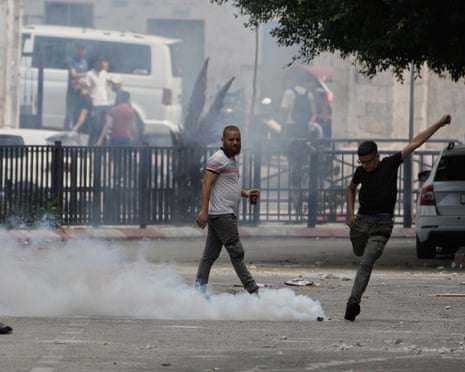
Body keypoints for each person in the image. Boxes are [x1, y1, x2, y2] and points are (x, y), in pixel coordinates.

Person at [344, 114, 452, 321]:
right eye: (362, 162)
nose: (365, 166)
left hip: (382, 224)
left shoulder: (390, 164)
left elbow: (415, 143)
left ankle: (353, 302)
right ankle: (359, 243)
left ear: (377, 156)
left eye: (368, 162)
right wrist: (350, 214)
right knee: (359, 251)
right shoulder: (360, 172)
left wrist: (439, 123)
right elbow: (350, 189)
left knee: (366, 262)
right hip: (362, 221)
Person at [195, 125, 260, 295]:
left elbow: (225, 186)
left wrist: (244, 193)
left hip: (220, 215)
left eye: (238, 139)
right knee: (237, 252)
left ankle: (198, 292)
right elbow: (207, 184)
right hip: (223, 215)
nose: (235, 142)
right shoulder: (218, 159)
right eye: (231, 139)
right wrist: (203, 211)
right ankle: (254, 291)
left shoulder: (230, 159)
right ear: (222, 140)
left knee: (209, 256)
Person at [86, 56, 110, 145]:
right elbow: (87, 89)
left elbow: (107, 85)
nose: (102, 65)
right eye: (100, 63)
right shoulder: (90, 74)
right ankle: (92, 144)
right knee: (95, 127)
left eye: (102, 63)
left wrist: (107, 94)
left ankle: (102, 144)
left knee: (105, 126)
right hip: (95, 103)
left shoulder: (104, 73)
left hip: (104, 103)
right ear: (95, 64)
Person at [63, 43, 88, 131]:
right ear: (75, 50)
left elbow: (85, 79)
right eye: (79, 49)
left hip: (80, 92)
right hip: (72, 92)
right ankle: (65, 130)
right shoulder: (71, 61)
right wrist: (86, 74)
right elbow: (73, 74)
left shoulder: (84, 62)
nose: (81, 51)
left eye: (82, 50)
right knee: (69, 113)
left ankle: (75, 131)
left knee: (77, 113)